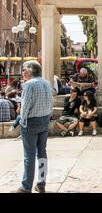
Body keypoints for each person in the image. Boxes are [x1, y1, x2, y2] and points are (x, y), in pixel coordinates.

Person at [16, 61, 53, 194]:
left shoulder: (29, 85)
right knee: (42, 153)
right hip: (44, 120)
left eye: (24, 69)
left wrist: (22, 122)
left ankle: (26, 187)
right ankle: (41, 183)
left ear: (30, 71)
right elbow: (50, 103)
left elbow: (25, 106)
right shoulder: (46, 83)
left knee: (29, 156)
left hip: (31, 122)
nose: (23, 72)